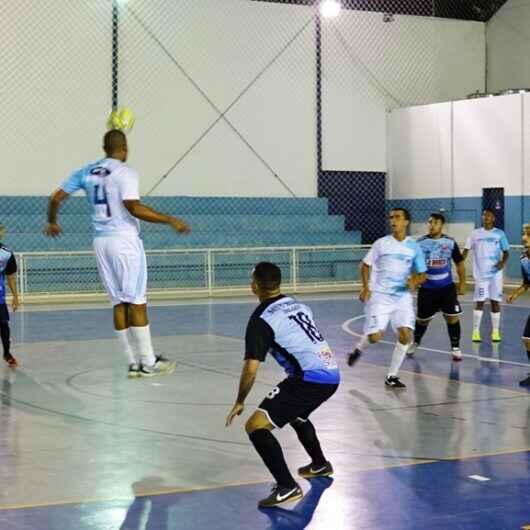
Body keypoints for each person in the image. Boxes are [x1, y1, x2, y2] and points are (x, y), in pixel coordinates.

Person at [44, 129, 190, 377]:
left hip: (101, 242)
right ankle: (149, 362)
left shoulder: (86, 171)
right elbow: (133, 207)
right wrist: (169, 219)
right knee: (137, 301)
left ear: (105, 147)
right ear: (124, 148)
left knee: (118, 302)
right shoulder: (125, 172)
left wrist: (53, 222)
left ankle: (133, 363)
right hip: (125, 242)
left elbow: (56, 198)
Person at [226, 262, 340, 508]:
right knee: (296, 415)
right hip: (332, 374)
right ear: (278, 283)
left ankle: (287, 486)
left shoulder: (261, 320)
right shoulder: (298, 304)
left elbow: (251, 369)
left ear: (254, 286)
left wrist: (239, 401)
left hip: (308, 379)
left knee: (256, 426)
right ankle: (320, 464)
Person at [348, 208, 427, 388]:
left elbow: (422, 274)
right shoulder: (381, 244)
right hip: (380, 297)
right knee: (375, 337)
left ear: (406, 222)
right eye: (391, 218)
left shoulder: (414, 247)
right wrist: (366, 287)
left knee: (406, 335)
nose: (393, 221)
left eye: (397, 217)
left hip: (402, 298)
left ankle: (392, 376)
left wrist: (414, 282)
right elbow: (365, 266)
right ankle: (358, 348)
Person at [407, 213, 466, 361]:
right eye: (429, 222)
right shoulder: (420, 243)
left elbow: (459, 263)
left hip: (447, 288)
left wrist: (462, 283)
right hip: (427, 290)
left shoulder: (450, 242)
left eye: (435, 223)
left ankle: (456, 348)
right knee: (422, 320)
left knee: (452, 318)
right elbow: (414, 264)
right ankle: (416, 342)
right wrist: (414, 280)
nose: (431, 225)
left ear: (441, 225)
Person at [463, 209, 510, 343]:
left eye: (489, 215)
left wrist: (502, 262)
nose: (486, 217)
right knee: (480, 301)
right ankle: (476, 332)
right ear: (482, 217)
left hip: (495, 274)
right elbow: (465, 250)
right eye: (484, 215)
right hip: (481, 275)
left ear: (493, 218)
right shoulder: (475, 234)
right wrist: (459, 260)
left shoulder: (499, 234)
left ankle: (495, 332)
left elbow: (506, 252)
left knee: (495, 302)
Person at [506, 224, 530, 386]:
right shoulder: (524, 258)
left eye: (528, 235)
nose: (524, 238)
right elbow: (527, 283)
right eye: (524, 234)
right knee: (527, 339)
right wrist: (515, 294)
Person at [0, 224, 20, 368]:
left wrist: (15, 296)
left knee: (3, 324)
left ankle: (7, 353)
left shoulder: (6, 253)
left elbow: (10, 276)